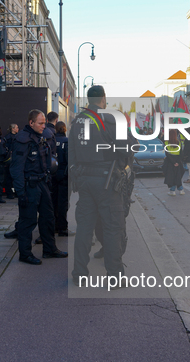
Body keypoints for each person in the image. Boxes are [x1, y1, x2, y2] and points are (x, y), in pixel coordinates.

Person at [68, 85, 131, 285]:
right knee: (112, 228)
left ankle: (79, 274)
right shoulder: (111, 118)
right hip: (107, 181)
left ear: (88, 99)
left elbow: (71, 154)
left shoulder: (78, 120)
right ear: (103, 99)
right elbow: (131, 146)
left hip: (85, 181)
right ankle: (115, 277)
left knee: (84, 229)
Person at [10, 109, 68, 265]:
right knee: (27, 222)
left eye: (44, 123)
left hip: (42, 183)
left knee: (48, 218)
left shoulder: (42, 136)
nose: (44, 126)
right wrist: (21, 193)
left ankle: (50, 249)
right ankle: (25, 254)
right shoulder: (22, 139)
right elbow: (16, 169)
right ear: (31, 123)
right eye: (41, 123)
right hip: (29, 185)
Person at [52, 121, 72, 236]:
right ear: (64, 129)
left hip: (53, 174)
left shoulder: (52, 140)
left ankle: (54, 225)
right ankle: (62, 227)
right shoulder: (67, 141)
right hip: (64, 176)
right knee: (63, 203)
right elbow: (70, 160)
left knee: (53, 201)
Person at [163, 129, 185, 195]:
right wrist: (177, 162)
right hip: (178, 161)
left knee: (171, 177)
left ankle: (172, 190)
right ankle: (180, 189)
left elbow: (167, 154)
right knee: (178, 176)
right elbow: (181, 154)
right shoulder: (179, 143)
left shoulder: (166, 143)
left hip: (170, 162)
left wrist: (173, 162)